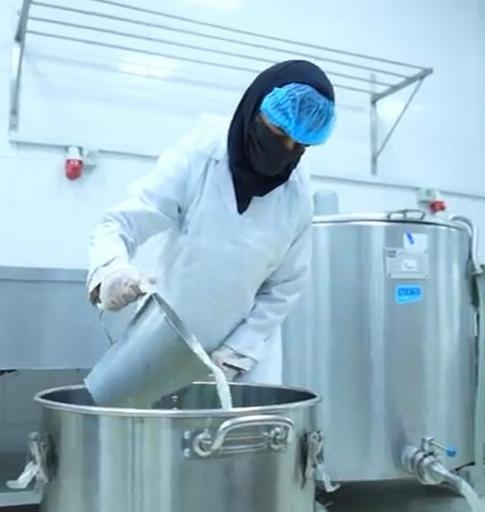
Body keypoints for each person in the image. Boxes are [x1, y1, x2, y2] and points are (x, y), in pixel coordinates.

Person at [86, 60, 336, 385]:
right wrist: (110, 271)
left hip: (244, 361)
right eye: (278, 133)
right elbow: (119, 225)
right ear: (254, 111)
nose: (285, 151)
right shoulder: (200, 154)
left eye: (299, 145)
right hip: (162, 341)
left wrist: (238, 351)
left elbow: (285, 286)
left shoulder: (297, 192)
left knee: (243, 420)